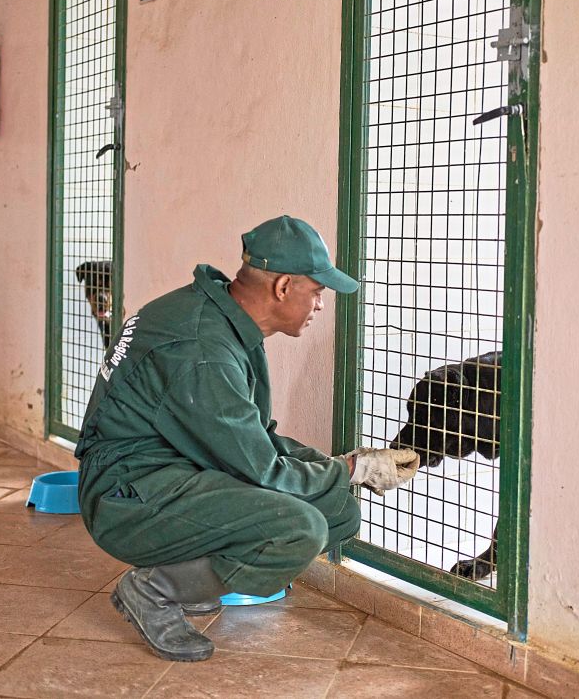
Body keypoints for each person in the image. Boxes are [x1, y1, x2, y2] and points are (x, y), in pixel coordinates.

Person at [74, 215, 420, 662]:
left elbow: (253, 436)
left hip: (172, 469)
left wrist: (342, 466)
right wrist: (352, 469)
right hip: (124, 494)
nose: (319, 306)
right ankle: (155, 590)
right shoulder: (203, 350)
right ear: (282, 287)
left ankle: (189, 575)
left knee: (336, 509)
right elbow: (259, 466)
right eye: (316, 293)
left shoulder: (223, 320)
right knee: (299, 527)